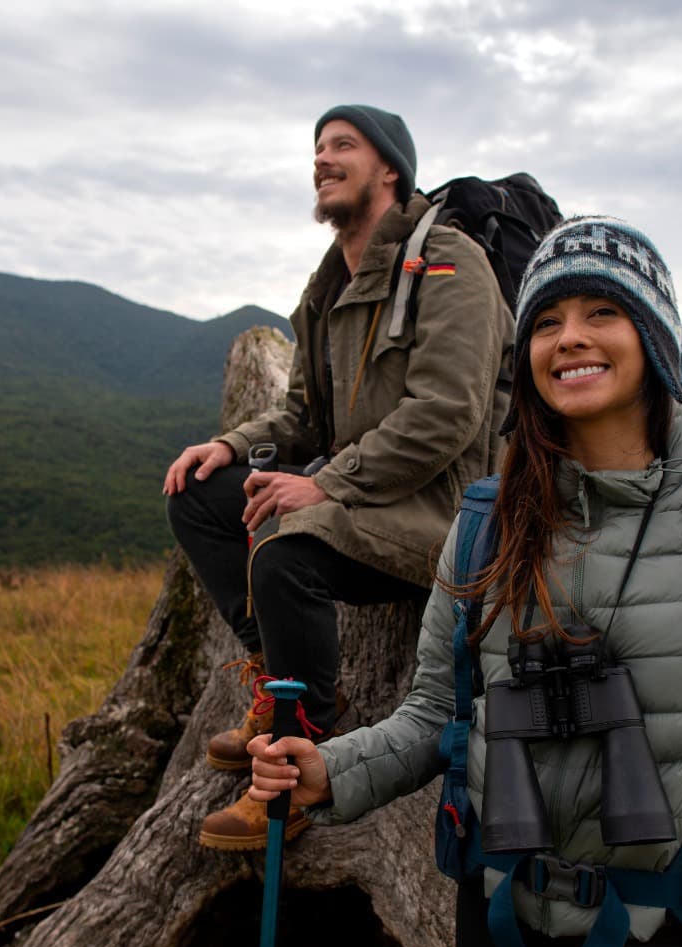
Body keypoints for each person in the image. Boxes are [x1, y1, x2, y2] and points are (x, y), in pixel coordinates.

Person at [249, 217, 682, 947]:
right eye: (546, 322)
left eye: (600, 313)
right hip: (510, 946)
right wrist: (333, 769)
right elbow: (434, 712)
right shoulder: (488, 525)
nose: (570, 337)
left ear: (653, 338)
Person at [162, 105, 512, 849]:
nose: (322, 159)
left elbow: (447, 413)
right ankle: (278, 677)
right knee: (199, 495)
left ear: (390, 168)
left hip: (445, 515)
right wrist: (229, 446)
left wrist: (326, 486)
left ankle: (301, 743)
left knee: (285, 543)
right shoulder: (327, 289)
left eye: (342, 145)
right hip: (367, 500)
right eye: (317, 148)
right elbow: (302, 417)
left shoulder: (449, 263)